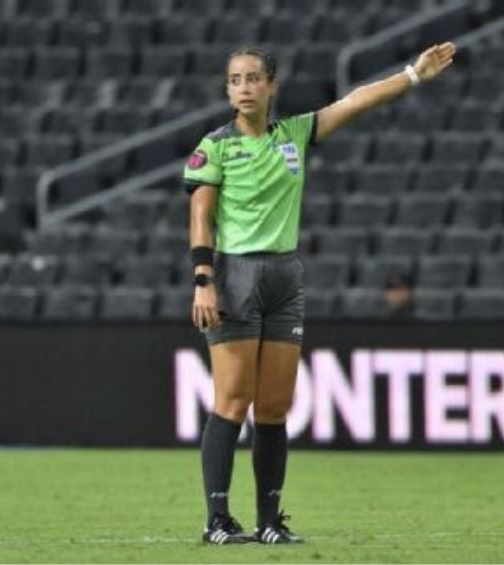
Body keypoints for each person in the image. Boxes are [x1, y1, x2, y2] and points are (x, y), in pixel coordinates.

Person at [183, 42, 456, 545]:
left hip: (285, 278)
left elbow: (355, 102)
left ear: (271, 86)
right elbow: (200, 214)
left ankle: (268, 521)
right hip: (235, 274)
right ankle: (217, 519)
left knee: (273, 406)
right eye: (235, 80)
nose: (243, 88)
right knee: (232, 400)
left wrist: (413, 77)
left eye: (252, 79)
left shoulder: (294, 134)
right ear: (227, 89)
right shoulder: (215, 145)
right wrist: (203, 278)